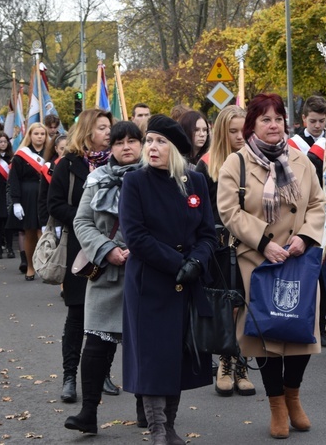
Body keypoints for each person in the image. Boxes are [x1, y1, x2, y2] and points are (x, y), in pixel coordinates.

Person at [217, 93, 325, 439]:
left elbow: (318, 203)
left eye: (278, 118)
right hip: (258, 261)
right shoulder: (236, 163)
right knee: (267, 337)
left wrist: (305, 238)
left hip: (298, 260)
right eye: (265, 119)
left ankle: (293, 396)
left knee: (301, 332)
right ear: (252, 124)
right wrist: (265, 242)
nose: (273, 124)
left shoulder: (301, 159)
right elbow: (229, 212)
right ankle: (276, 403)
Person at [120, 114, 216, 445]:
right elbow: (136, 237)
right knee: (153, 358)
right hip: (150, 283)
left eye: (160, 141)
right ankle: (157, 429)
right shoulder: (135, 182)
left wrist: (198, 262)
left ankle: (170, 425)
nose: (152, 147)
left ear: (175, 148)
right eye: (149, 140)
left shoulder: (196, 182)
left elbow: (207, 232)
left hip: (186, 284)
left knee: (177, 356)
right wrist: (181, 262)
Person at [66, 121, 143, 434]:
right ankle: (88, 413)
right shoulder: (97, 178)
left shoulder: (158, 178)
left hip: (145, 275)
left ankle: (145, 408)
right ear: (110, 148)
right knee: (96, 347)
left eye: (132, 141)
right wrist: (107, 248)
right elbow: (82, 222)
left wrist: (142, 250)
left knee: (144, 345)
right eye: (119, 142)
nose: (126, 147)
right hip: (107, 273)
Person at [48, 109, 113, 404]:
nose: (108, 133)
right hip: (79, 249)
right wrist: (85, 220)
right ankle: (70, 377)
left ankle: (103, 375)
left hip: (112, 249)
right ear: (88, 132)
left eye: (108, 127)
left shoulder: (117, 164)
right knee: (77, 315)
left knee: (107, 317)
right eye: (102, 128)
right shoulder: (68, 164)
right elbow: (55, 204)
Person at [195, 105, 256, 397]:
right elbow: (198, 211)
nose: (239, 136)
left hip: (251, 243)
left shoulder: (257, 162)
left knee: (245, 303)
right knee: (226, 305)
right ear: (222, 132)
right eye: (232, 131)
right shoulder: (206, 165)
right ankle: (224, 362)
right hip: (219, 246)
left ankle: (242, 362)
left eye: (243, 130)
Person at [288, 95, 326, 349]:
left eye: (322, 121)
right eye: (313, 121)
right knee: (306, 270)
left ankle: (324, 322)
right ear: (304, 119)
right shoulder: (294, 144)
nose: (318, 125)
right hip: (302, 210)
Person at [7, 123, 48, 281]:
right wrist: (16, 201)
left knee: (44, 233)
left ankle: (45, 267)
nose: (39, 136)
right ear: (30, 135)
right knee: (30, 232)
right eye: (36, 133)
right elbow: (14, 180)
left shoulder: (50, 153)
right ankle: (30, 266)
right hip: (28, 197)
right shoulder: (21, 155)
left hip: (46, 195)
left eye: (42, 134)